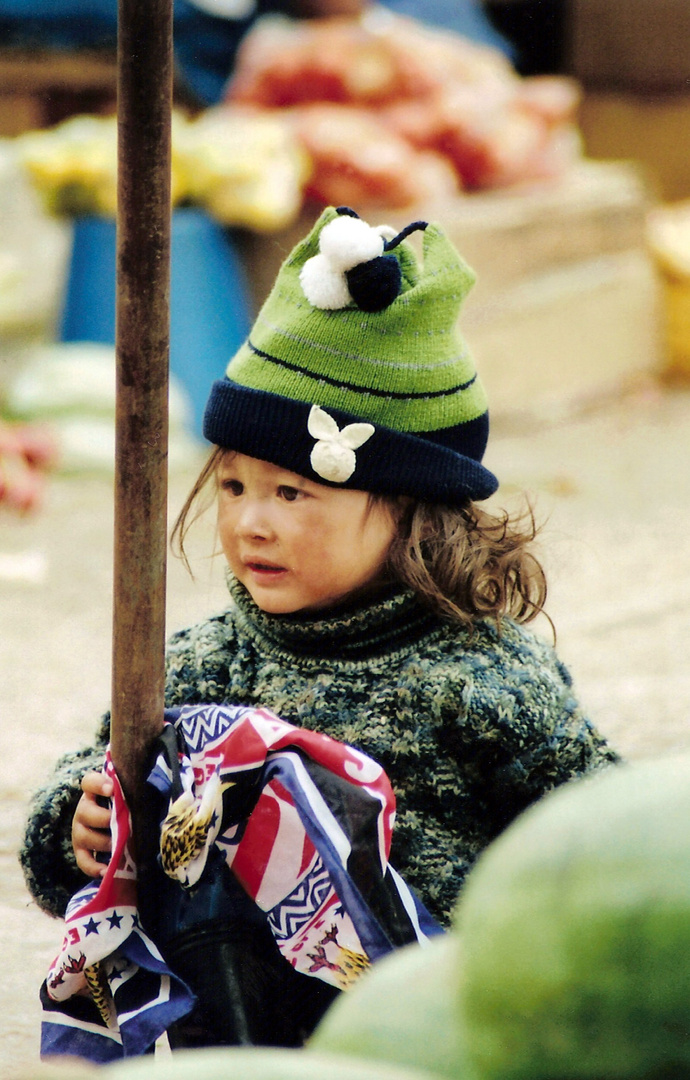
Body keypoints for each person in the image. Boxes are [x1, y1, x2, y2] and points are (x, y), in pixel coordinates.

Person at [21, 206, 619, 1050]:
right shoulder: (198, 669)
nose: (249, 525)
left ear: (411, 510)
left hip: (434, 1022)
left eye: (291, 494)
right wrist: (80, 824)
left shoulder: (483, 679)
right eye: (232, 488)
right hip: (235, 1028)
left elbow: (596, 833)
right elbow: (83, 808)